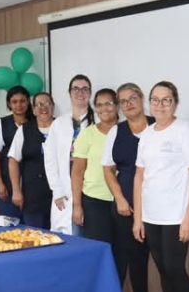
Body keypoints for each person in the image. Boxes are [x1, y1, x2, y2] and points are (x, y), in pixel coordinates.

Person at [133, 81, 189, 292]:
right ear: (149, 102)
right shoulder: (147, 134)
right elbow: (139, 178)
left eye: (166, 100)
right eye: (155, 99)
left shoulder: (184, 130)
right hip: (152, 216)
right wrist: (137, 218)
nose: (160, 105)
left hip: (177, 216)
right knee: (164, 270)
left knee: (175, 270)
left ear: (174, 102)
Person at [102, 83, 154, 292]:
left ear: (142, 98)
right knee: (135, 258)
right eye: (123, 101)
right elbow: (108, 170)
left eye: (133, 97)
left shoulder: (160, 125)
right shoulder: (116, 132)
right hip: (126, 207)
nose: (129, 103)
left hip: (159, 207)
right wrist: (120, 198)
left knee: (167, 262)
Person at [44, 74, 95, 235]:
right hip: (64, 192)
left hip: (91, 191)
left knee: (88, 237)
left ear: (90, 93)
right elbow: (50, 159)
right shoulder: (58, 124)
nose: (80, 92)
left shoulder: (98, 121)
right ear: (69, 93)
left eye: (85, 89)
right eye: (76, 89)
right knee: (65, 238)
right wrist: (57, 191)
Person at [71, 88, 118, 243]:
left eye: (109, 103)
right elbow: (77, 172)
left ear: (117, 105)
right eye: (99, 105)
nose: (104, 108)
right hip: (94, 201)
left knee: (122, 252)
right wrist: (77, 206)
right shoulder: (88, 134)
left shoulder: (126, 131)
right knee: (100, 248)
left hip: (123, 201)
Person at [9, 92, 55, 228]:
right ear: (34, 110)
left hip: (59, 195)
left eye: (47, 103)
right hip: (33, 195)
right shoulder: (24, 130)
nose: (43, 107)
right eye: (39, 104)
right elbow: (13, 161)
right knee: (35, 235)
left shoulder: (63, 128)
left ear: (53, 107)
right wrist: (16, 190)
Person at [0, 86, 33, 219]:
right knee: (11, 226)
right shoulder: (1, 124)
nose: (19, 105)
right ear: (9, 103)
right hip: (6, 185)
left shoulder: (36, 123)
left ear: (28, 102)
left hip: (31, 185)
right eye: (14, 102)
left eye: (22, 101)